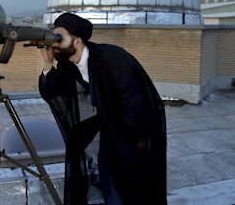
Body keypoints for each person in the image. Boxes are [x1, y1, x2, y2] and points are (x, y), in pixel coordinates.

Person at [39, 13, 167, 205]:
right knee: (112, 193)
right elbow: (53, 91)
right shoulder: (69, 65)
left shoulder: (113, 59)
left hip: (137, 140)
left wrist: (140, 142)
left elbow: (140, 103)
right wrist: (48, 63)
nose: (55, 43)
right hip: (111, 140)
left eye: (60, 38)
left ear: (77, 42)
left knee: (136, 194)